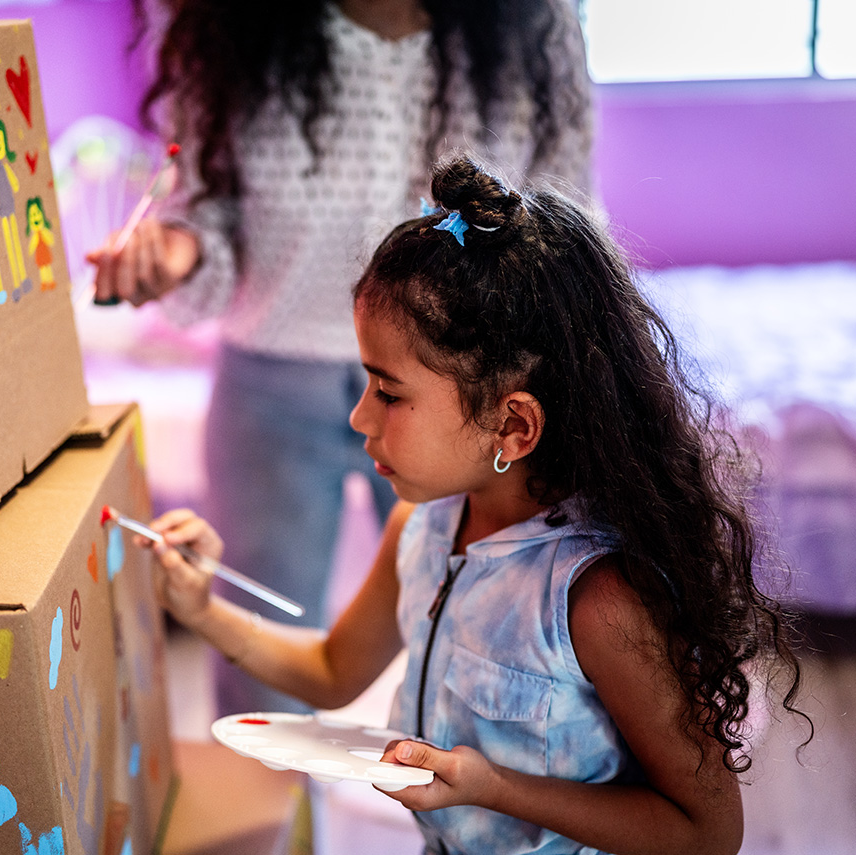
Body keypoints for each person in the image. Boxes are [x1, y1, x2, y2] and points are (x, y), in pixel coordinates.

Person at [134, 153, 809, 855]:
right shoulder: (419, 528)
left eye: (388, 392)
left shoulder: (601, 598)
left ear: (513, 426)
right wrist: (201, 608)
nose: (359, 418)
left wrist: (493, 786)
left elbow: (707, 832)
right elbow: (335, 673)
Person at [89, 0, 594, 715]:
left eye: (381, 396)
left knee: (494, 663)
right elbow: (205, 207)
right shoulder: (221, 24)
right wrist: (175, 249)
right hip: (272, 386)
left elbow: (567, 221)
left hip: (463, 391)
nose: (367, 415)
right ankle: (281, 830)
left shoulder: (534, 23)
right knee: (262, 692)